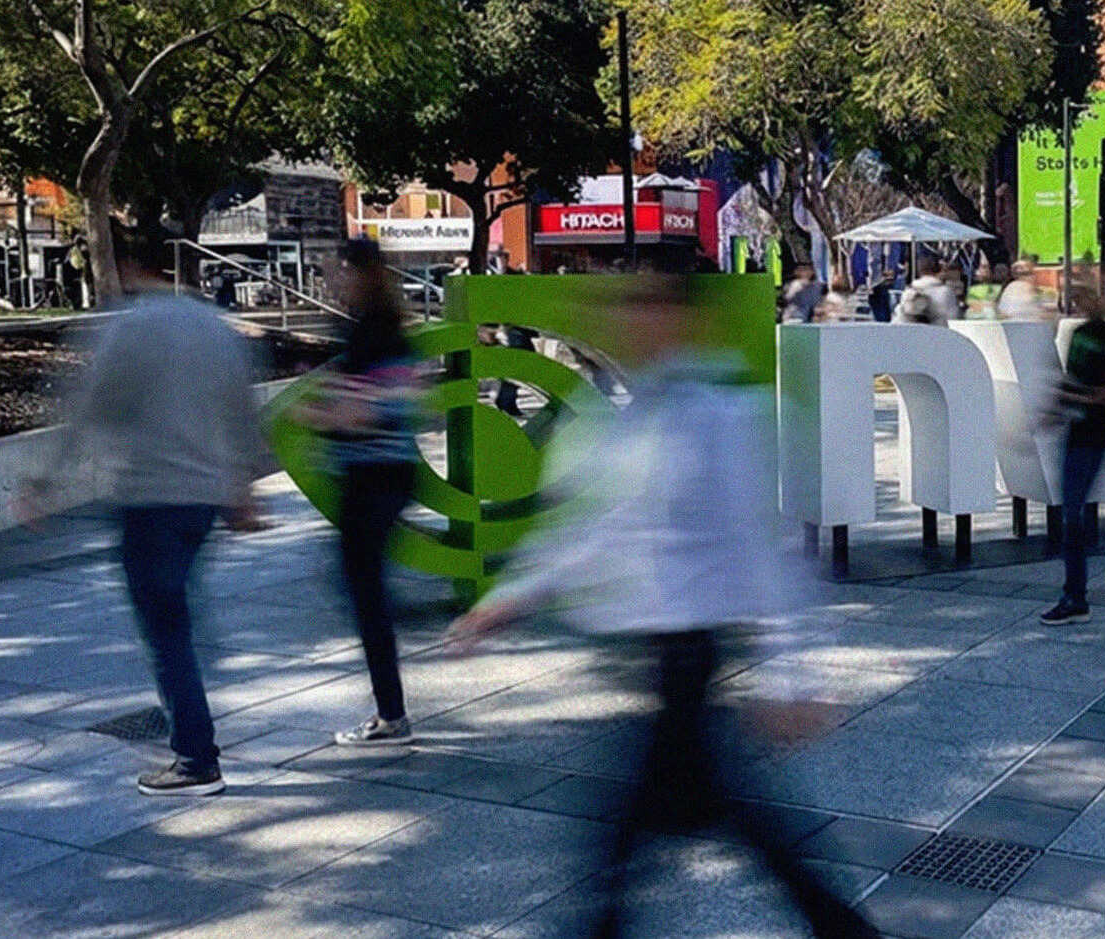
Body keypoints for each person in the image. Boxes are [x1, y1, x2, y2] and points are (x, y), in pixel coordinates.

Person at [444, 271, 881, 939]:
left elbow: (765, 549)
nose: (631, 326)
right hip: (661, 656)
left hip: (689, 653)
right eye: (626, 313)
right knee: (735, 822)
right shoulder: (632, 417)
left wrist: (792, 675)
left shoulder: (719, 415)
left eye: (650, 310)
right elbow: (600, 530)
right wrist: (506, 601)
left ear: (684, 322)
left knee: (632, 834)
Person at [13, 249, 266, 795]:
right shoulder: (212, 325)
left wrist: (44, 480)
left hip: (150, 497)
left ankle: (195, 757)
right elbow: (242, 409)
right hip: (202, 498)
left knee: (164, 629)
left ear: (129, 267)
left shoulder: (127, 329)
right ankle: (193, 704)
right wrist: (243, 485)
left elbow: (86, 409)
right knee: (176, 610)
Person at [292, 239, 426, 746]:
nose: (334, 277)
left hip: (375, 477)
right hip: (377, 476)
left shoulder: (377, 330)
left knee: (365, 595)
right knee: (362, 591)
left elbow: (376, 409)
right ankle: (390, 709)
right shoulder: (374, 325)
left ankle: (392, 716)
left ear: (362, 271)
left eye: (341, 269)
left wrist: (318, 414)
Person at [1039, 276, 1105, 626]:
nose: (1077, 301)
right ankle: (1074, 593)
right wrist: (1055, 408)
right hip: (1074, 432)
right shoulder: (1076, 335)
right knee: (1070, 513)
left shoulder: (1104, 336)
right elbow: (1070, 380)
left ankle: (1075, 596)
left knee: (1073, 514)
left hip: (1093, 433)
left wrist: (1083, 400)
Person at [493, 324, 539, 416]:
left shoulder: (515, 334)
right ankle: (506, 403)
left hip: (520, 352)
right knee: (512, 383)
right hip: (519, 353)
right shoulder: (516, 334)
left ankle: (506, 403)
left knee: (512, 383)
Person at [898, 257, 957, 325]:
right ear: (939, 271)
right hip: (938, 332)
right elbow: (952, 318)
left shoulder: (908, 290)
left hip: (911, 332)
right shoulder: (945, 292)